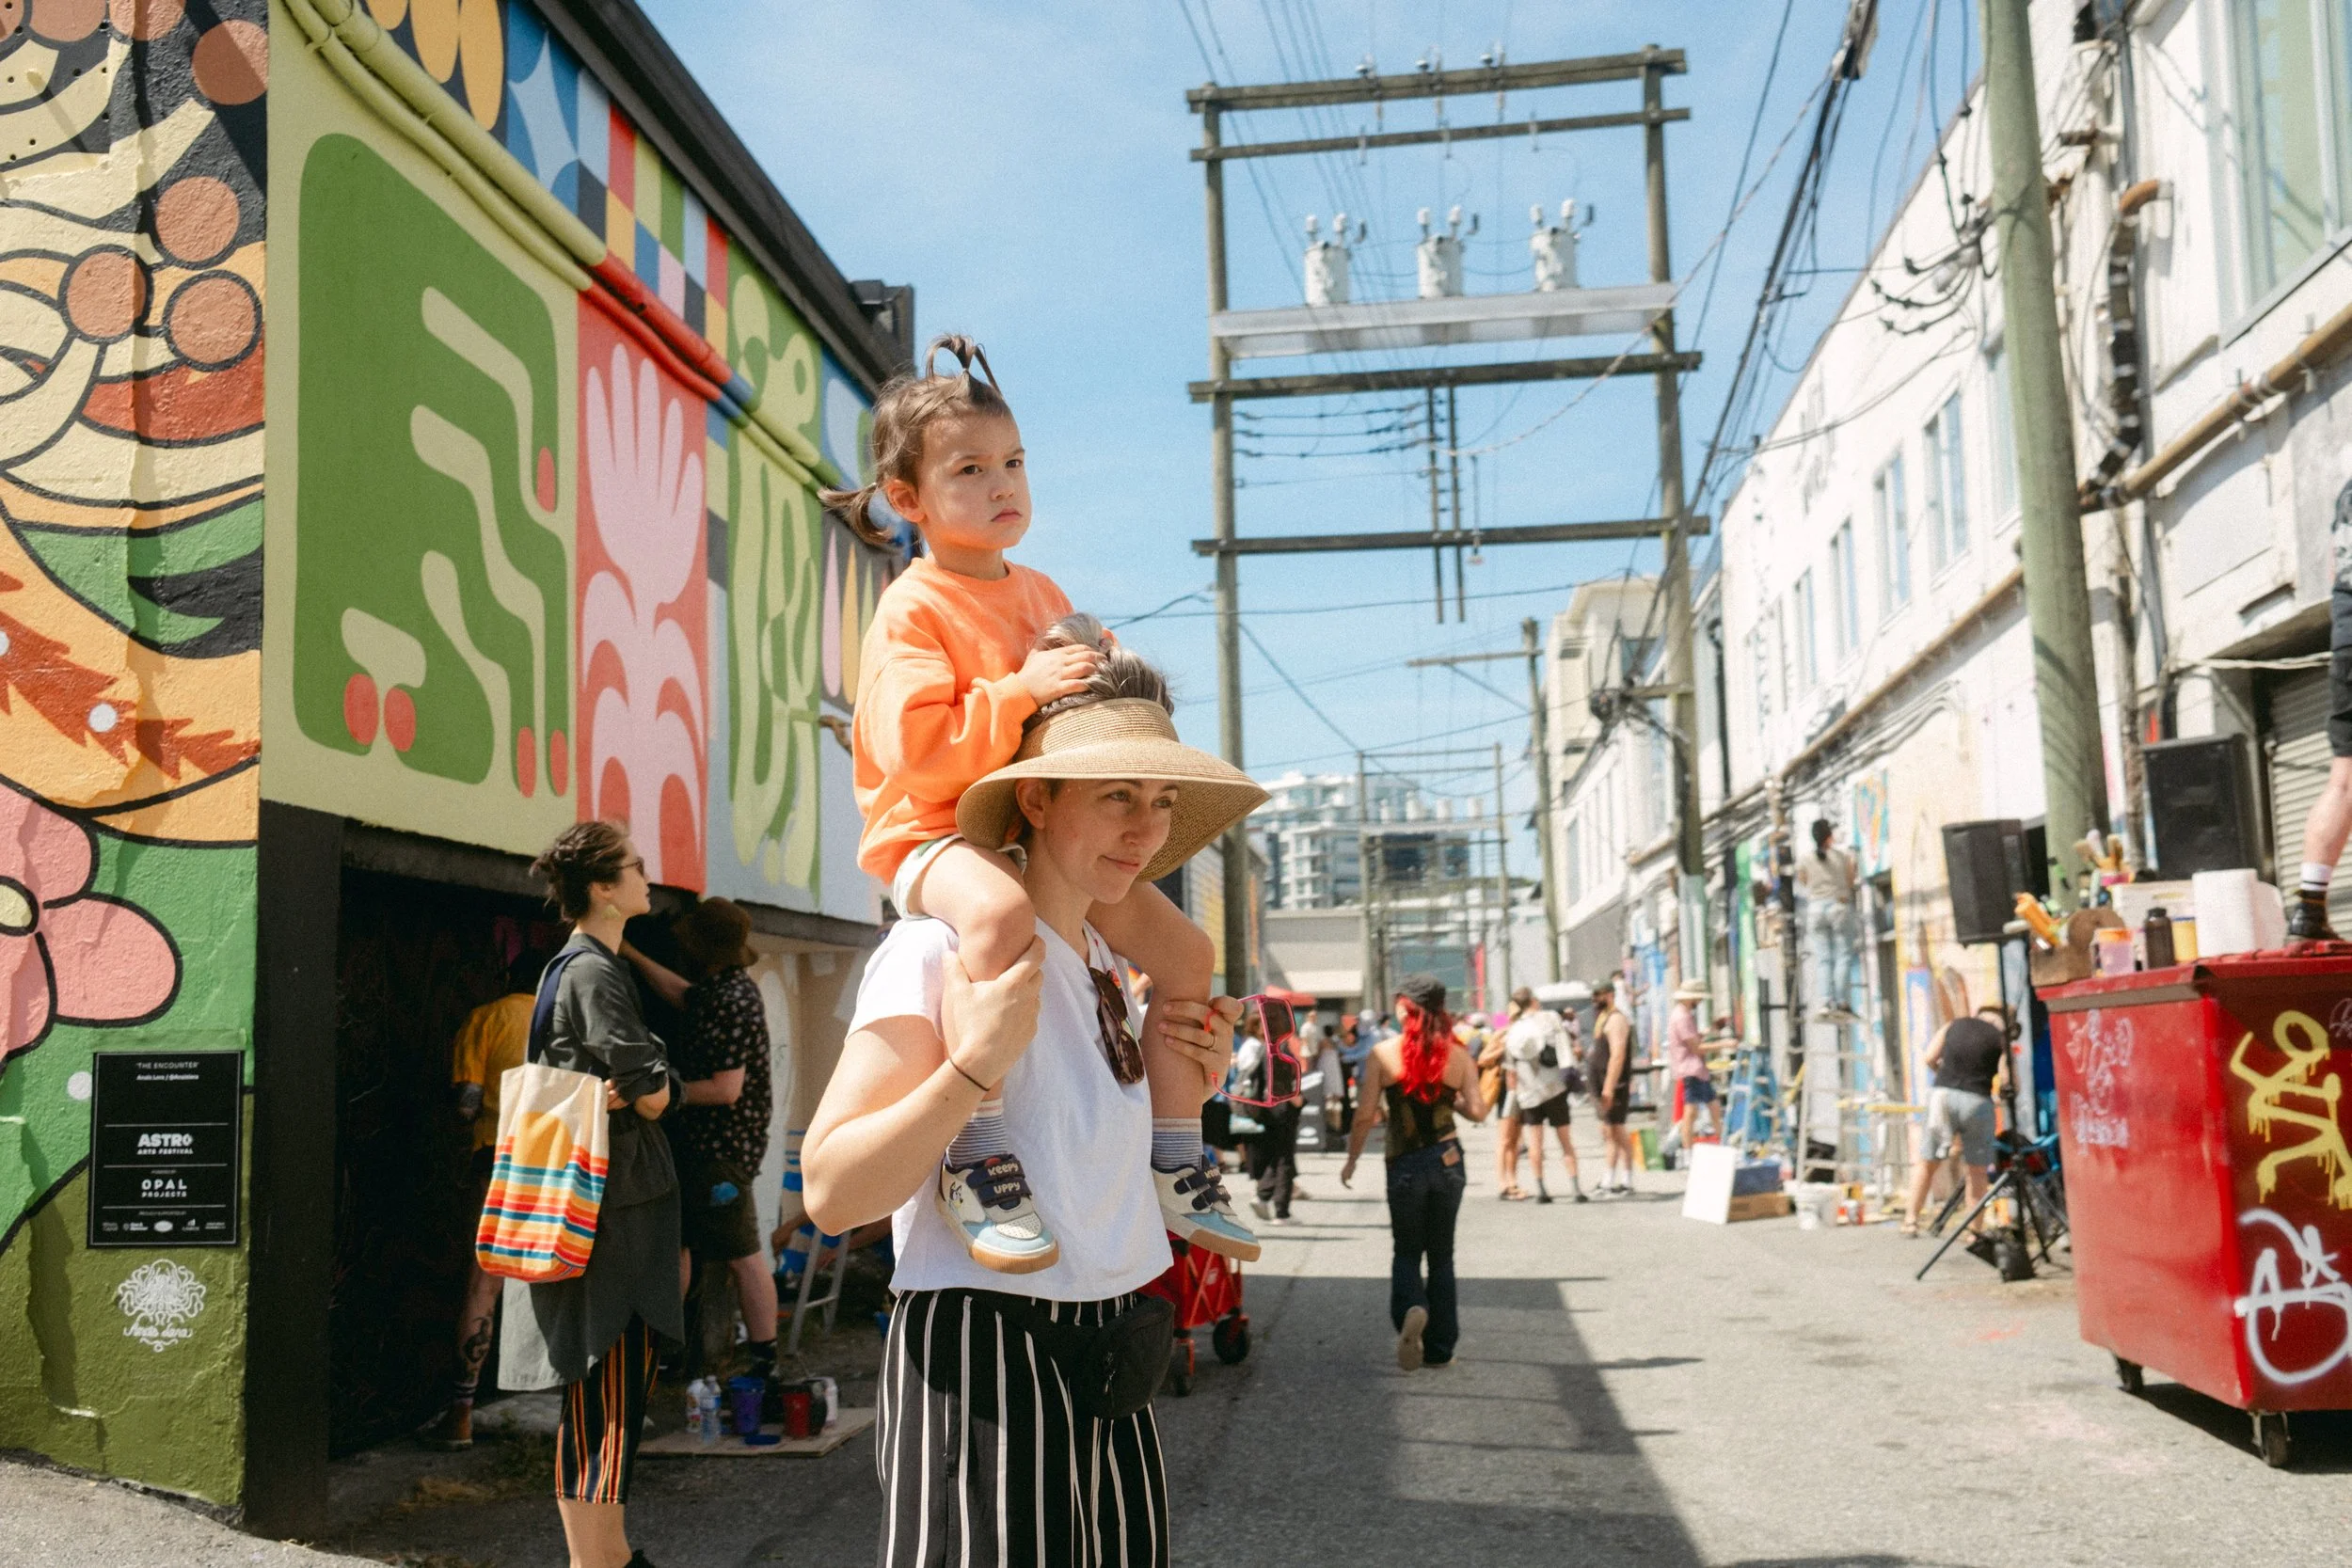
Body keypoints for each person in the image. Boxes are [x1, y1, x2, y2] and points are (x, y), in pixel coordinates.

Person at [800, 643, 1260, 1566]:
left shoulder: (1105, 967)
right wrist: (968, 1070)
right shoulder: (935, 954)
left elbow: (1075, 1164)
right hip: (981, 1343)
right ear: (1038, 798)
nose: (1145, 829)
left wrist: (1188, 1097)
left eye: (1161, 802)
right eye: (1117, 795)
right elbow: (832, 1189)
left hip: (1114, 1330)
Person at [832, 340, 1252, 1274]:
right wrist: (1021, 690)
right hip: (931, 832)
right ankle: (975, 1154)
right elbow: (918, 752)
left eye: (1013, 462)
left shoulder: (1043, 591)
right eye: (970, 469)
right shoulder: (913, 607)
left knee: (1187, 952)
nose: (1002, 484)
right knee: (1001, 913)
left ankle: (1178, 1153)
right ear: (908, 500)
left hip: (1027, 828)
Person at [522, 821, 680, 1568]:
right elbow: (652, 1095)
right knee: (605, 1396)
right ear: (603, 889)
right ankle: (601, 1564)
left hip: (608, 1208)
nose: (648, 876)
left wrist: (649, 1080)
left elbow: (647, 1085)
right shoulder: (589, 972)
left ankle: (609, 1558)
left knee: (604, 1396)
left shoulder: (582, 968)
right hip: (609, 1215)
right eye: (635, 867)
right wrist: (650, 1080)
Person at [619, 898, 778, 1383]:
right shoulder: (721, 989)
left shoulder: (730, 1000)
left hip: (720, 1155)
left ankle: (765, 1362)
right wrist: (630, 952)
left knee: (742, 1253)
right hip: (704, 1151)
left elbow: (727, 1089)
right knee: (683, 1244)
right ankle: (667, 1350)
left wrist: (662, 1095)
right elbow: (683, 994)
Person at [1342, 976, 1487, 1371]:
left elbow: (1363, 1116)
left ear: (1406, 1009)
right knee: (1442, 1257)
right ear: (1441, 1011)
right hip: (1448, 1161)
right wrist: (1451, 1100)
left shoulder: (1383, 1054)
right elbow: (1479, 1111)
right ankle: (1440, 1348)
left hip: (1403, 1163)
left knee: (1406, 1251)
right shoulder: (1458, 1057)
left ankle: (1411, 1307)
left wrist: (1352, 1159)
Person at [432, 949, 539, 1449]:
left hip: (498, 1158)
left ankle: (461, 1415)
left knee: (484, 1283)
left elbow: (467, 1101)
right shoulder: (565, 1024)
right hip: (561, 1160)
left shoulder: (488, 1018)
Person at [1901, 1006, 2010, 1239]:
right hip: (1978, 1101)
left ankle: (1910, 1220)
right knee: (1977, 1171)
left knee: (1927, 1161)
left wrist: (1945, 1072)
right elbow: (2008, 1080)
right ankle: (1974, 1231)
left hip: (1943, 1096)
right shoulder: (2000, 1039)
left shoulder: (1954, 1025)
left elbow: (1930, 1056)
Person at [1501, 987, 1584, 1203]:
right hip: (1555, 1088)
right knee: (1565, 1140)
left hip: (1528, 1093)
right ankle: (1575, 1188)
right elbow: (1565, 1047)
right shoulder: (1549, 1019)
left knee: (1535, 1142)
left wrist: (1514, 1095)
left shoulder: (1513, 1031)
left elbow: (1510, 1068)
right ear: (1534, 1001)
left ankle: (1541, 1190)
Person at [1234, 1013, 1301, 1223]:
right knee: (1285, 1159)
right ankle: (1281, 1211)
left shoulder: (1265, 1049)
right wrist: (1297, 1099)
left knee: (1277, 1156)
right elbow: (1282, 1082)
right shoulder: (1279, 1050)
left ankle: (1264, 1195)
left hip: (1267, 1109)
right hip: (1283, 1109)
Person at [1796, 818, 1859, 1019]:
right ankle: (1842, 1001)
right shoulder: (1841, 857)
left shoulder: (1805, 859)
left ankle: (1825, 1002)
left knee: (1824, 958)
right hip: (1838, 906)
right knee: (1843, 954)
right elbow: (1850, 881)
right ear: (1829, 837)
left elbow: (1803, 880)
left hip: (1815, 908)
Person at [1589, 976, 1637, 1196]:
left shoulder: (1616, 1019)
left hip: (1613, 1085)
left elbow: (1617, 1055)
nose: (1594, 1000)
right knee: (1612, 1131)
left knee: (1614, 1131)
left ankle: (1617, 1180)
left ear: (1609, 995)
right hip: (1602, 1083)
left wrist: (1609, 1086)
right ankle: (1617, 1179)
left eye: (1598, 995)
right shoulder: (1603, 1019)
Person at [1666, 981, 1723, 1151]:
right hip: (1691, 1070)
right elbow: (1696, 1047)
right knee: (1691, 1113)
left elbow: (1694, 1039)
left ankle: (1720, 1144)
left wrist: (1710, 1031)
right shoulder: (1682, 1017)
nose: (1700, 1002)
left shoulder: (1683, 1014)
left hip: (1695, 1070)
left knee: (1712, 1108)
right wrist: (1725, 1044)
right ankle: (1688, 1151)